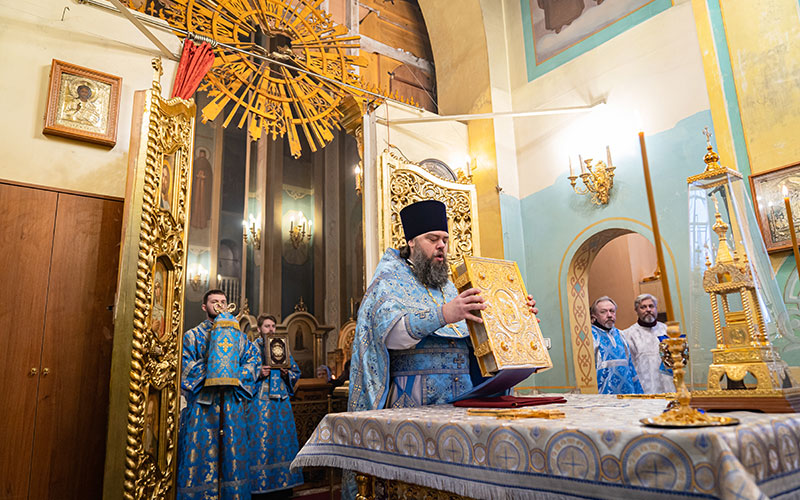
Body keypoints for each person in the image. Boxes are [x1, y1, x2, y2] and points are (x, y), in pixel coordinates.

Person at [348, 199, 538, 411]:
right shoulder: (388, 281)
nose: (441, 245)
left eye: (445, 240)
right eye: (432, 239)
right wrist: (443, 315)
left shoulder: (451, 286)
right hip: (413, 400)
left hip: (466, 398)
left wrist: (516, 320)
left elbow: (478, 339)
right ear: (411, 242)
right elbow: (389, 337)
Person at [177, 290, 260, 500]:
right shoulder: (192, 336)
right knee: (202, 453)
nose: (220, 305)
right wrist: (215, 371)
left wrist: (232, 374)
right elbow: (184, 367)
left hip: (231, 404)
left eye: (223, 302)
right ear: (205, 307)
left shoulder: (239, 337)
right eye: (214, 302)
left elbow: (253, 362)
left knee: (232, 454)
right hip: (203, 407)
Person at [248, 313, 304, 497]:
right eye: (267, 326)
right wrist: (258, 372)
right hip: (259, 405)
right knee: (261, 443)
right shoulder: (252, 349)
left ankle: (285, 485)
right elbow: (243, 374)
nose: (271, 329)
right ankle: (260, 488)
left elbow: (296, 371)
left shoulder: (282, 347)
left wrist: (287, 373)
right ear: (259, 329)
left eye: (273, 326)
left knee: (282, 441)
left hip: (281, 404)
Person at [622, 294, 674, 394]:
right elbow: (628, 365)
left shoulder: (667, 330)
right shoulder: (628, 334)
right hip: (644, 384)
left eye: (651, 306)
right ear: (636, 310)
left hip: (667, 383)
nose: (648, 310)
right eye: (643, 307)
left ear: (656, 308)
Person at [590, 296, 643, 395]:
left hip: (627, 394)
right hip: (603, 396)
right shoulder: (590, 336)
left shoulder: (621, 334)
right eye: (603, 312)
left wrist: (639, 393)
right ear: (594, 316)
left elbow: (630, 366)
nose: (609, 315)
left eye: (612, 311)